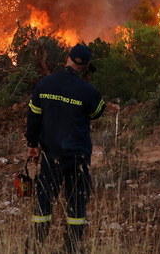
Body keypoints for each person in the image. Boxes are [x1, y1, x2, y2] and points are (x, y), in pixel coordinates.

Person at [25, 43, 106, 253]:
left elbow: (34, 116)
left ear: (67, 57)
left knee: (44, 200)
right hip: (77, 155)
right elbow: (97, 112)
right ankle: (71, 247)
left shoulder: (45, 84)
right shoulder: (87, 90)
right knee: (77, 201)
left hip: (51, 154)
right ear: (86, 65)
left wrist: (32, 144)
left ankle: (34, 246)